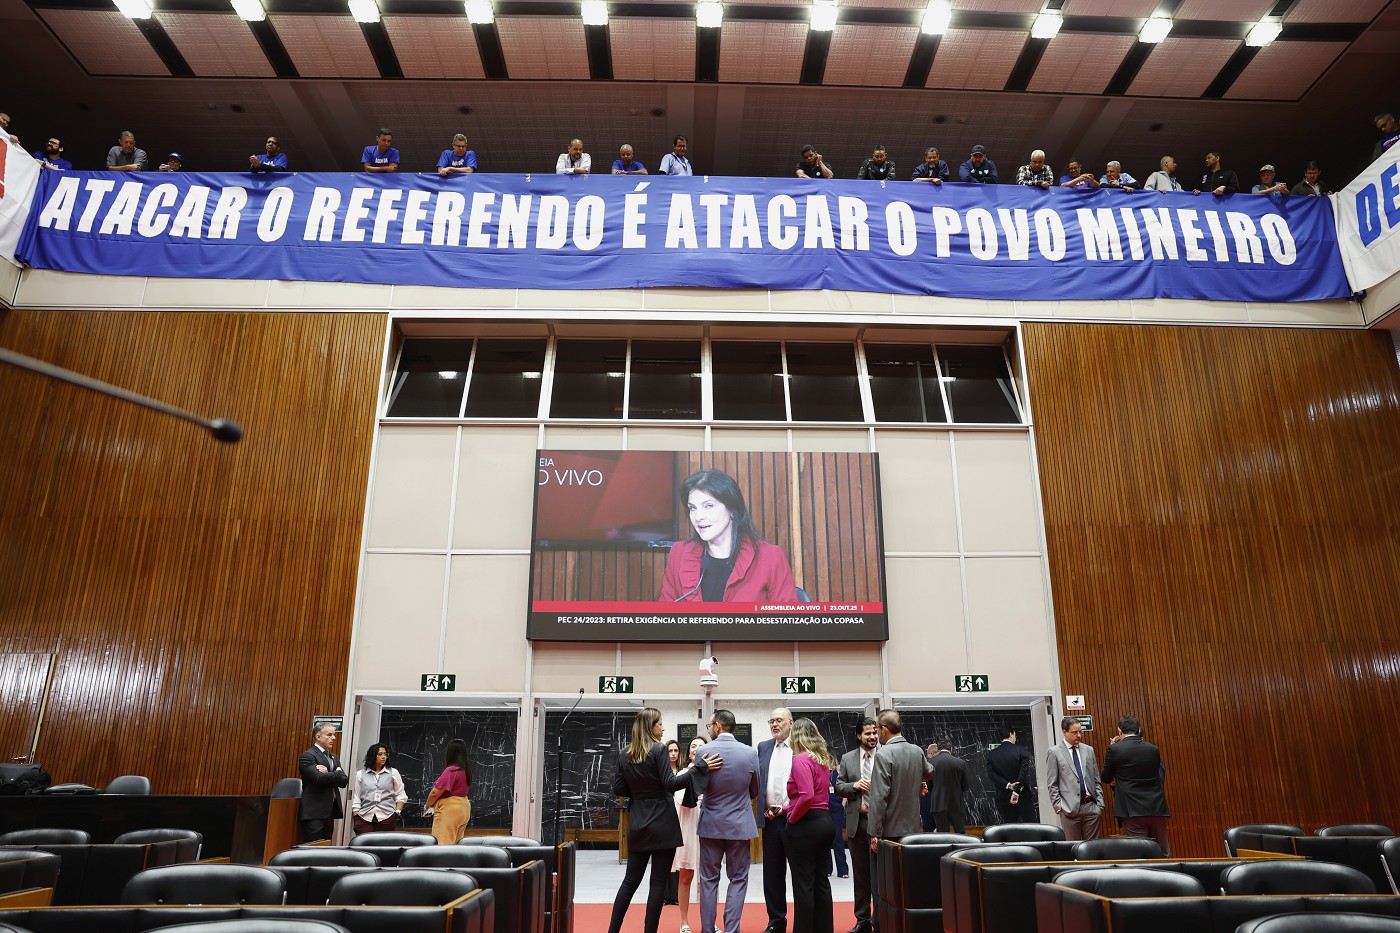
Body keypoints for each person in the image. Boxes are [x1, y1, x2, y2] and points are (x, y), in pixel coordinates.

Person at [608, 708, 705, 933]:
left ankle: (612, 930)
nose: (663, 728)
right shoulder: (659, 750)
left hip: (639, 822)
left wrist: (640, 794)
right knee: (658, 883)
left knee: (629, 882)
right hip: (663, 823)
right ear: (651, 726)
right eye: (660, 724)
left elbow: (618, 788)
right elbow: (670, 783)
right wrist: (697, 769)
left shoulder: (625, 753)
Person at [657, 469, 800, 604]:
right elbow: (665, 616)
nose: (698, 517)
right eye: (693, 508)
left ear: (732, 509)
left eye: (708, 506)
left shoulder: (770, 557)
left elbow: (788, 622)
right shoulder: (679, 553)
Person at [692, 709, 758, 933]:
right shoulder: (750, 753)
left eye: (710, 726)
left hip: (710, 824)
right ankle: (731, 930)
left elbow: (696, 787)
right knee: (738, 879)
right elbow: (755, 790)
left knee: (709, 880)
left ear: (718, 727)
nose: (709, 730)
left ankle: (708, 930)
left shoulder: (703, 751)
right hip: (739, 825)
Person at [784, 718, 836, 933]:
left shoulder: (800, 760)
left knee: (803, 884)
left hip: (805, 825)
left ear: (796, 736)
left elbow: (806, 796)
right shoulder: (822, 760)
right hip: (824, 822)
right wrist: (787, 809)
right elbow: (815, 798)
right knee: (821, 881)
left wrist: (792, 819)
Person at [1100, 714, 1171, 856]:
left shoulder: (1115, 749)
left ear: (1119, 731)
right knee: (1162, 851)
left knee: (1139, 853)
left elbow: (1106, 777)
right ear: (1139, 730)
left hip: (1131, 809)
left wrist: (1114, 748)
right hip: (1156, 807)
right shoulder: (1153, 749)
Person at [834, 717, 879, 933]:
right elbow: (838, 786)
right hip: (857, 823)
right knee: (860, 875)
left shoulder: (885, 755)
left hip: (881, 824)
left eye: (875, 733)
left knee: (880, 875)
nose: (872, 737)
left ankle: (880, 919)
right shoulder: (847, 758)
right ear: (858, 735)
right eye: (868, 733)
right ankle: (862, 921)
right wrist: (854, 785)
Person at [866, 709, 927, 851]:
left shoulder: (884, 753)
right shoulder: (917, 750)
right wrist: (920, 782)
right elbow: (930, 770)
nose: (876, 734)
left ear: (884, 728)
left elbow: (879, 796)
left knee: (890, 872)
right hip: (913, 829)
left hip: (890, 831)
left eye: (877, 729)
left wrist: (874, 832)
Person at [756, 707, 794, 933]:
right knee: (772, 874)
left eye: (779, 720)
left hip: (795, 817)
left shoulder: (800, 748)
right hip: (770, 819)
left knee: (799, 872)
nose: (774, 725)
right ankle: (776, 922)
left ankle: (805, 920)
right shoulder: (763, 747)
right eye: (771, 721)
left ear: (791, 723)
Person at [1045, 718, 1102, 841]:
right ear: (1064, 732)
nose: (1079, 735)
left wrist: (1099, 803)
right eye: (1074, 732)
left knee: (1093, 848)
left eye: (1080, 732)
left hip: (1091, 807)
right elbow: (1052, 783)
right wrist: (1058, 806)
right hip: (1068, 809)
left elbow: (1096, 777)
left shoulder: (1088, 750)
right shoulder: (1054, 752)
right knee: (1072, 847)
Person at [675, 736, 706, 933]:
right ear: (688, 752)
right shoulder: (684, 773)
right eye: (693, 746)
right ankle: (684, 921)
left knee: (709, 880)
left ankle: (709, 921)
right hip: (688, 828)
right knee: (686, 876)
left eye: (701, 746)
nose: (696, 749)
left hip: (709, 829)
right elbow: (681, 800)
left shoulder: (714, 773)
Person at [298, 721, 349, 842]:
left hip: (330, 811)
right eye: (329, 734)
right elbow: (318, 779)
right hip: (314, 813)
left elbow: (344, 781)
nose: (334, 738)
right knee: (312, 849)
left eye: (334, 734)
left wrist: (328, 773)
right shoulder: (308, 756)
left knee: (326, 848)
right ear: (318, 736)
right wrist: (336, 773)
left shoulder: (333, 757)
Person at [349, 742, 408, 835]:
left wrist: (397, 812)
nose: (383, 757)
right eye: (380, 754)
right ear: (372, 756)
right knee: (363, 846)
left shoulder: (393, 772)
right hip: (364, 816)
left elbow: (400, 794)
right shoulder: (360, 774)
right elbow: (357, 795)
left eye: (385, 754)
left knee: (382, 846)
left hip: (387, 817)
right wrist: (356, 814)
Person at [423, 737, 472, 844]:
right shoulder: (465, 770)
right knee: (457, 844)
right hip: (464, 808)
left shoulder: (451, 770)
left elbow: (435, 792)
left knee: (442, 843)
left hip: (450, 808)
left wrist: (428, 806)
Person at [986, 725, 1034, 824]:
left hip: (1003, 796)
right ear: (1011, 734)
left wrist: (1008, 785)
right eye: (1015, 735)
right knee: (1031, 824)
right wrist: (1016, 789)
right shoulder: (1021, 750)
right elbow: (1023, 772)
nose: (1015, 738)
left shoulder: (992, 754)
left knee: (1009, 826)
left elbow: (991, 775)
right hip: (1022, 795)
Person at [925, 741, 969, 834]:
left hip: (938, 803)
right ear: (951, 749)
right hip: (956, 803)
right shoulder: (960, 763)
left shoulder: (930, 762)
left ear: (938, 749)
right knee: (960, 833)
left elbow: (929, 786)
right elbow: (965, 786)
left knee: (942, 835)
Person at [828, 773, 847, 879]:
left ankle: (843, 870)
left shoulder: (837, 775)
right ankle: (827, 869)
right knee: (825, 839)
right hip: (824, 808)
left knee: (838, 839)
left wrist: (842, 804)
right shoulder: (821, 772)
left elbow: (844, 789)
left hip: (837, 809)